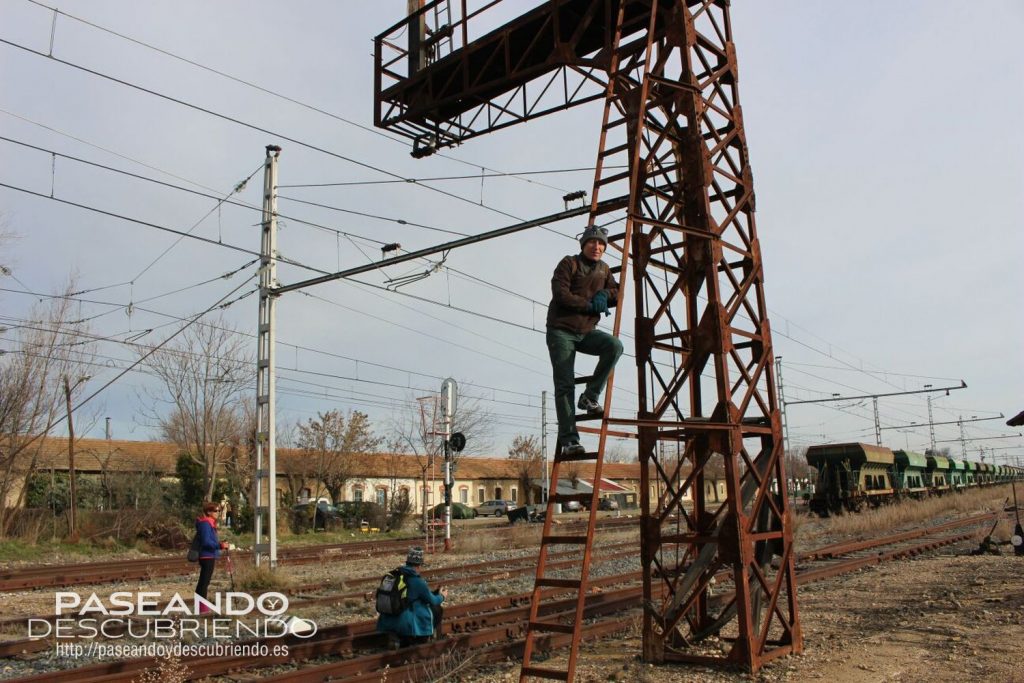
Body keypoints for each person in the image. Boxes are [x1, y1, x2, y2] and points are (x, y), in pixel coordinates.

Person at [545, 225, 623, 457]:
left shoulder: (604, 269)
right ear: (584, 244)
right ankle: (570, 440)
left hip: (586, 332)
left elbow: (617, 292)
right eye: (592, 242)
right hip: (561, 331)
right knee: (565, 384)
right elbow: (561, 294)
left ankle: (590, 396)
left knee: (614, 346)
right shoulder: (569, 263)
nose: (597, 247)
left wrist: (605, 294)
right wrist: (589, 304)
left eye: (601, 244)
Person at [376, 547, 448, 647]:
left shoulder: (395, 575)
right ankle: (421, 638)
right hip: (405, 625)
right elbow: (433, 600)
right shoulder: (416, 581)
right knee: (436, 609)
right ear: (418, 566)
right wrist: (442, 596)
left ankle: (398, 638)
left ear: (407, 562)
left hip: (385, 621)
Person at [195, 501, 228, 613]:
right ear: (208, 512)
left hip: (209, 556)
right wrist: (220, 545)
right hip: (206, 556)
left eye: (219, 510)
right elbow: (206, 542)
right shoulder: (205, 524)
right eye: (216, 511)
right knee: (204, 583)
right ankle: (202, 608)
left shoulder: (210, 523)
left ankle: (201, 606)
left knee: (204, 582)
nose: (218, 513)